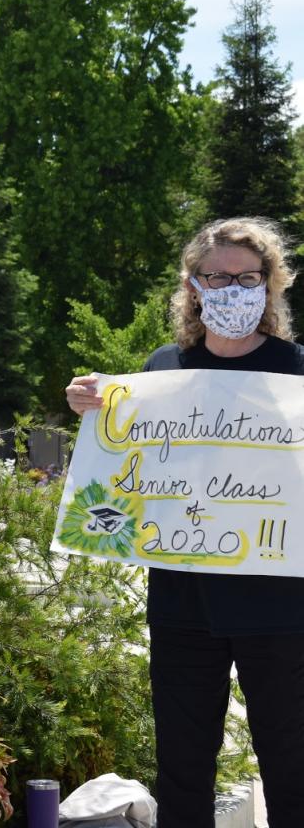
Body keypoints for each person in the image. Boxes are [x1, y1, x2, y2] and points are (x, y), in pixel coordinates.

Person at [65, 217, 304, 828]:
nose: (233, 288)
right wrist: (91, 406)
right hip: (182, 604)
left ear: (270, 286)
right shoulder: (163, 369)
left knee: (291, 764)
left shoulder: (297, 371)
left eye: (248, 277)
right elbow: (130, 467)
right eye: (218, 276)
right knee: (182, 768)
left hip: (281, 609)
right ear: (193, 286)